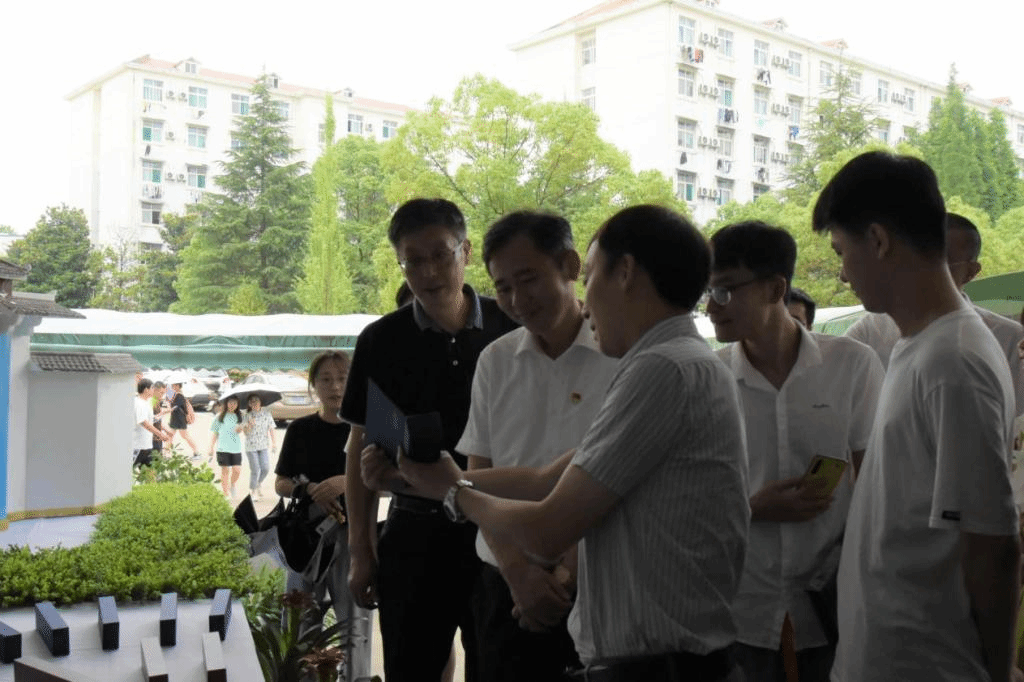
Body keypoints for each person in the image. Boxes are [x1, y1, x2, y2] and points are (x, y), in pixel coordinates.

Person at [368, 204, 750, 682]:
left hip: (660, 666)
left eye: (590, 275)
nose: (588, 299)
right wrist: (424, 479)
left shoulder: (662, 370)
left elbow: (549, 527)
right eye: (503, 287)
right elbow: (545, 478)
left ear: (625, 273)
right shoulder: (676, 362)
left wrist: (456, 492)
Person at [813, 151, 1021, 682]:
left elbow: (992, 545)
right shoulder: (919, 344)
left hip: (926, 663)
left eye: (842, 251)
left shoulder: (953, 361)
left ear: (878, 241)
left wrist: (999, 672)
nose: (842, 273)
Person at [341, 198, 517, 682]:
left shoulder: (510, 327)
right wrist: (361, 550)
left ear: (466, 251)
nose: (430, 272)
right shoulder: (382, 341)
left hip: (500, 529)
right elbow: (361, 447)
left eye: (441, 255)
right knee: (412, 668)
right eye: (413, 261)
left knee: (498, 667)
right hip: (415, 538)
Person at [706, 221, 884, 681]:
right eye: (706, 292)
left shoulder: (851, 365)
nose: (710, 307)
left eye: (724, 291)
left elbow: (876, 485)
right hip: (740, 609)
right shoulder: (709, 378)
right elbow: (687, 501)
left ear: (775, 289)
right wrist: (752, 508)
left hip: (833, 605)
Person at [463, 211, 618, 680]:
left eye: (528, 279)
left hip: (599, 584)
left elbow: (621, 483)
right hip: (506, 587)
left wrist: (564, 577)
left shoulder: (621, 356)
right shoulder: (495, 360)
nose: (517, 299)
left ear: (570, 265)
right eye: (503, 287)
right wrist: (517, 573)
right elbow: (479, 478)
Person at [846, 214, 1024, 410]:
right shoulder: (868, 333)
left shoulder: (1009, 339)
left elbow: (1017, 419)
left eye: (938, 264)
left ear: (970, 272)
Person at [273, 350, 372, 682]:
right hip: (305, 542)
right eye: (326, 379)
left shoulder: (367, 430)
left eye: (343, 378)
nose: (336, 387)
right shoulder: (300, 429)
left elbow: (391, 483)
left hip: (353, 539)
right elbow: (280, 483)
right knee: (300, 620)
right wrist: (309, 489)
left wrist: (346, 480)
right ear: (313, 385)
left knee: (354, 622)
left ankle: (356, 678)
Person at [209, 396, 244, 498]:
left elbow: (244, 430)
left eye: (235, 403)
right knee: (225, 470)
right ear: (226, 404)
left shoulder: (240, 416)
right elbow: (215, 433)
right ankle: (225, 494)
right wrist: (211, 447)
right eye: (230, 403)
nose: (232, 405)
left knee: (237, 470)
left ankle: (232, 484)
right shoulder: (219, 416)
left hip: (236, 448)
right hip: (222, 448)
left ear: (237, 405)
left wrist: (241, 429)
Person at [243, 394, 276, 500]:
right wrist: (250, 425)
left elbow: (271, 428)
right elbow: (245, 433)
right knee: (255, 469)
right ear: (249, 404)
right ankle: (253, 491)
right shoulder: (247, 416)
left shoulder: (267, 414)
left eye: (256, 402)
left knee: (265, 468)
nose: (254, 404)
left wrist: (274, 443)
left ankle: (258, 483)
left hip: (263, 445)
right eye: (252, 402)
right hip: (251, 446)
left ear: (260, 402)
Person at [134, 378, 166, 466]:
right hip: (138, 445)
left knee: (150, 471)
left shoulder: (146, 402)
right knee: (130, 470)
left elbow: (149, 420)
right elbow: (143, 422)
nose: (153, 390)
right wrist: (160, 434)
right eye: (152, 388)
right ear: (146, 390)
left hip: (147, 444)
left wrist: (158, 416)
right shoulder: (139, 403)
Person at [167, 380, 198, 458]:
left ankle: (196, 452)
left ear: (178, 386)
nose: (172, 387)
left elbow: (176, 407)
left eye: (173, 385)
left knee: (184, 435)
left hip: (179, 418)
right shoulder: (176, 394)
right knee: (170, 436)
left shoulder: (179, 395)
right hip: (176, 418)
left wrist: (168, 409)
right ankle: (166, 453)